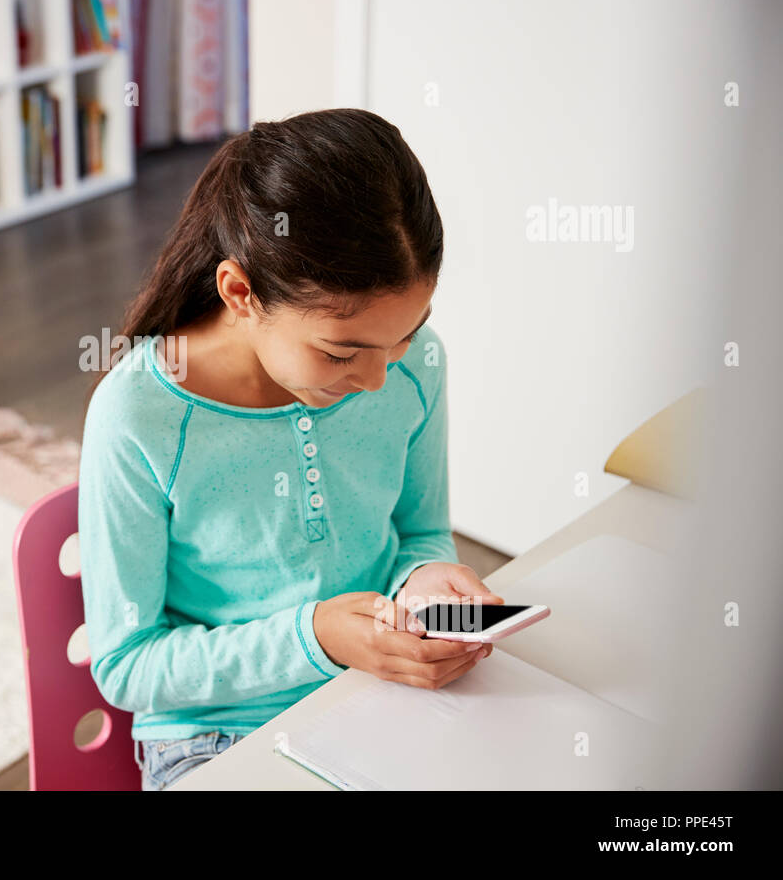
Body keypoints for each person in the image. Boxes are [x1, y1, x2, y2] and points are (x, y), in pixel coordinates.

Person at [79, 108, 501, 791]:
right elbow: (128, 665)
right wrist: (317, 637)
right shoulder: (141, 416)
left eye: (404, 335)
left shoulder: (414, 365)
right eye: (342, 353)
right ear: (240, 293)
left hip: (380, 690)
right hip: (212, 737)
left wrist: (425, 580)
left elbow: (419, 532)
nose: (377, 379)